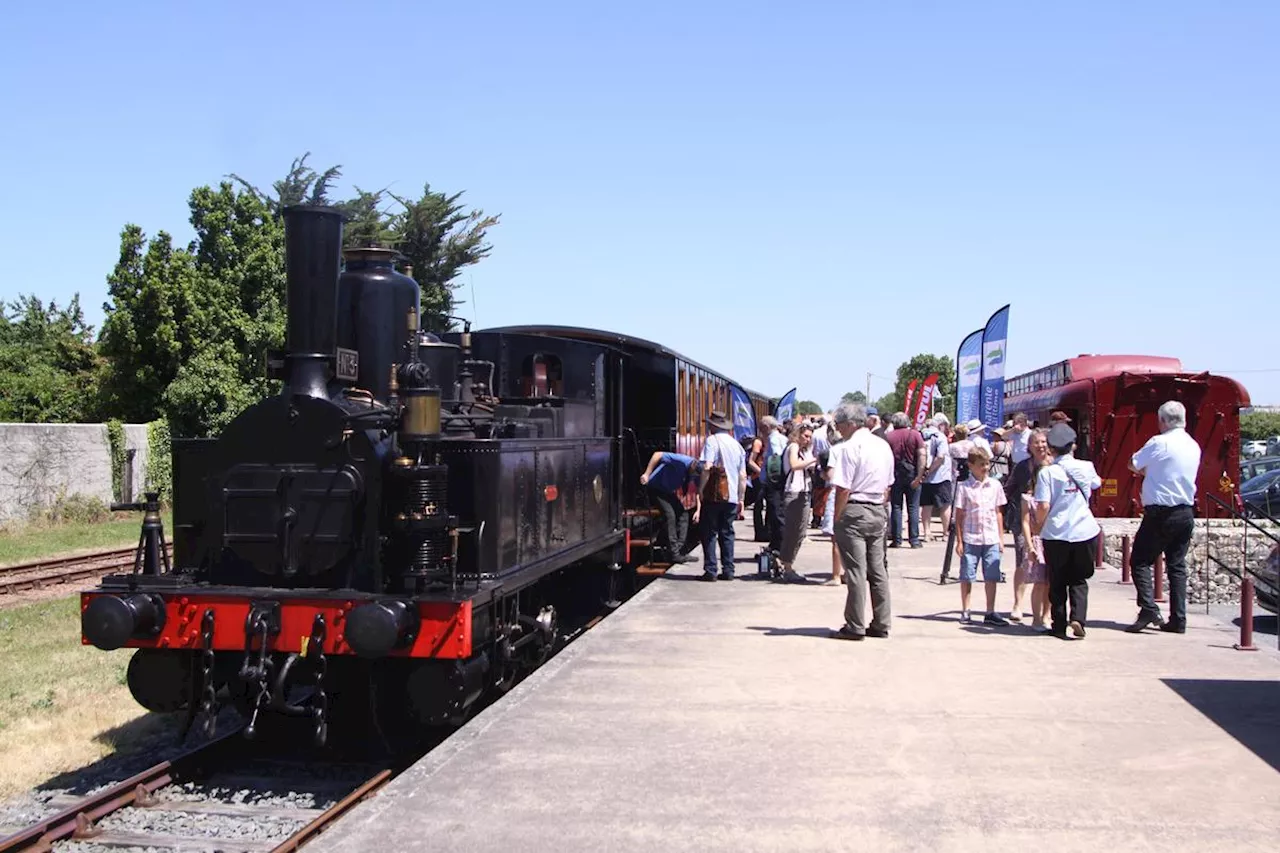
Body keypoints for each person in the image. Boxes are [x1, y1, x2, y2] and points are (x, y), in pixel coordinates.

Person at [1125, 400, 1202, 634]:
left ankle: (1148, 608)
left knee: (1139, 561)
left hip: (1161, 512)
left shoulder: (1160, 442)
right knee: (1177, 565)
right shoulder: (1193, 445)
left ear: (1164, 420)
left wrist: (1147, 471)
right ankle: (1179, 618)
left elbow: (1132, 464)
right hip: (1185, 511)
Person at [826, 402, 894, 641]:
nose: (838, 430)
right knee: (878, 570)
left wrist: (837, 518)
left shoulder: (848, 448)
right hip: (877, 508)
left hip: (855, 509)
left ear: (850, 424)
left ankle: (855, 624)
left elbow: (843, 489)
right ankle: (881, 622)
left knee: (855, 571)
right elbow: (888, 486)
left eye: (840, 425)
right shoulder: (883, 446)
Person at [1034, 422, 1102, 639]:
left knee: (1057, 579)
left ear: (1051, 448)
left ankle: (1059, 624)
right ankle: (1078, 618)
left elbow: (1043, 505)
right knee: (1079, 579)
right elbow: (1096, 484)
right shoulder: (1086, 466)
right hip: (1083, 530)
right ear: (1073, 445)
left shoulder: (1047, 473)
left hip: (1056, 533)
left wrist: (1038, 526)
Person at [953, 446, 1010, 626]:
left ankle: (990, 611)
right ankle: (966, 609)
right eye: (980, 465)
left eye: (986, 464)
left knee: (992, 576)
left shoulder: (995, 485)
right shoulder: (964, 487)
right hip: (971, 537)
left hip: (991, 537)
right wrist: (959, 541)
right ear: (971, 466)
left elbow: (998, 512)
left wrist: (1001, 538)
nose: (985, 468)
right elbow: (960, 516)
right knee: (967, 576)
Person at [1004, 428, 1050, 621]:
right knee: (1024, 561)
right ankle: (1018, 604)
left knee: (1048, 566)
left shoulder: (1054, 465)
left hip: (1049, 522)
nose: (1040, 445)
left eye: (1043, 442)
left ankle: (1046, 611)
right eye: (1036, 442)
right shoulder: (1023, 467)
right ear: (1029, 446)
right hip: (1023, 519)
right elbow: (1009, 489)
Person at [696, 411, 748, 581]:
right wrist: (741, 498)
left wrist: (701, 489)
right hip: (732, 497)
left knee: (709, 532)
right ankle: (729, 570)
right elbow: (742, 476)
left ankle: (711, 570)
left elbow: (706, 467)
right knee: (727, 533)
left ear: (713, 426)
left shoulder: (712, 441)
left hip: (714, 497)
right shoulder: (737, 446)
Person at [638, 450, 703, 564]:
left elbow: (699, 491)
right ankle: (674, 553)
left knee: (684, 514)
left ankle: (679, 550)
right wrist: (647, 474)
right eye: (694, 473)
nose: (694, 476)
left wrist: (698, 510)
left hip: (667, 491)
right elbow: (657, 454)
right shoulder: (681, 460)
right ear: (693, 465)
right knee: (670, 516)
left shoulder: (697, 472)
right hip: (656, 488)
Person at [778, 423, 818, 583]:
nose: (808, 439)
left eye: (810, 437)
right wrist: (813, 460)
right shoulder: (793, 447)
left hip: (804, 491)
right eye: (805, 436)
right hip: (794, 492)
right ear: (798, 434)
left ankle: (786, 562)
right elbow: (794, 465)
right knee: (793, 532)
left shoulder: (803, 450)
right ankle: (786, 565)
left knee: (800, 532)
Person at [884, 412, 926, 549]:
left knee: (896, 507)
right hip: (912, 473)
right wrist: (919, 476)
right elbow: (922, 456)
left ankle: (897, 540)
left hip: (895, 475)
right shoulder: (915, 435)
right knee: (913, 507)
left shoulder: (888, 437)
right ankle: (914, 540)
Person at [1019, 454, 1052, 631]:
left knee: (1050, 583)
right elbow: (1024, 522)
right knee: (1039, 583)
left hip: (1052, 541)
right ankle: (1036, 619)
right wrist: (1029, 545)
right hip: (1037, 541)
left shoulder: (1054, 498)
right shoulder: (1028, 498)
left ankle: (1047, 615)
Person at [920, 416, 953, 541]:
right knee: (945, 505)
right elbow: (940, 457)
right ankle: (945, 533)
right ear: (942, 425)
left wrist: (924, 471)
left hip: (924, 477)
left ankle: (927, 532)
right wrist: (931, 469)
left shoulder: (922, 434)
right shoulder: (940, 437)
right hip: (940, 476)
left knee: (926, 505)